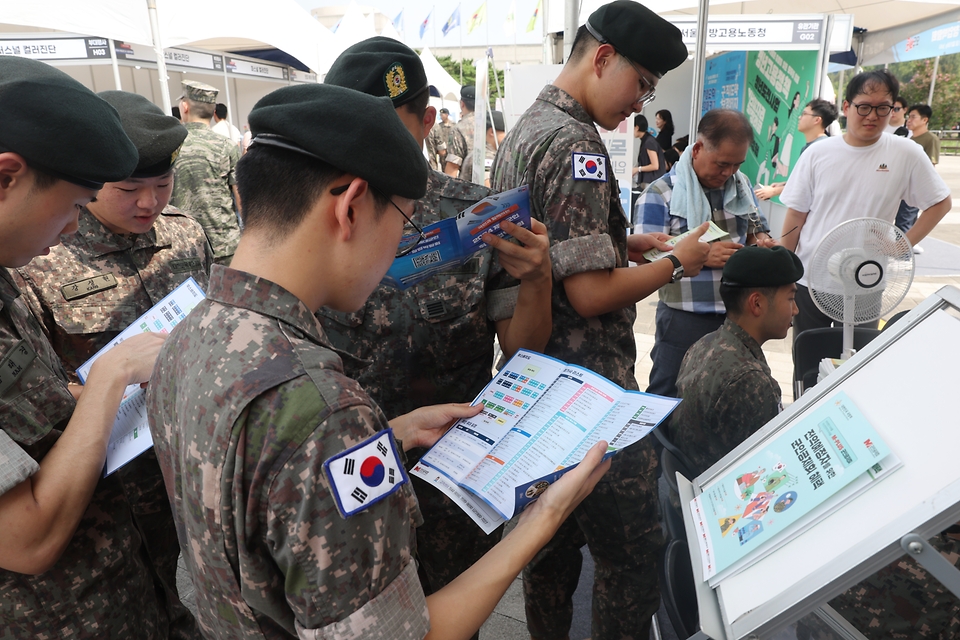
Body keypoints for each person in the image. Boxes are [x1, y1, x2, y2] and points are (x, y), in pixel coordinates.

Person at [146, 81, 610, 639]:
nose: (400, 248)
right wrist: (544, 519)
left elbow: (258, 495)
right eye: (407, 222)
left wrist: (388, 434)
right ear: (351, 207)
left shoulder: (189, 333)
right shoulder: (324, 411)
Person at [490, 3, 711, 638]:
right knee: (636, 553)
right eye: (640, 83)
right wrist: (679, 262)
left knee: (546, 548)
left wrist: (624, 247)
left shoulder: (532, 125)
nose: (640, 103)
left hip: (534, 381)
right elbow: (588, 294)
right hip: (589, 392)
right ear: (603, 57)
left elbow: (559, 252)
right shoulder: (577, 144)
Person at [321, 37, 552, 631]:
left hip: (453, 482)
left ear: (427, 121)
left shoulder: (477, 219)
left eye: (388, 127)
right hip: (350, 477)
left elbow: (523, 351)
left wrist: (537, 281)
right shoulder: (317, 218)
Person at [12, 90, 210, 639]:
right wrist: (112, 377)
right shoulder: (35, 255)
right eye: (127, 190)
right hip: (100, 477)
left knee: (176, 581)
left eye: (161, 185)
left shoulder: (187, 234)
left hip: (182, 455)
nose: (149, 203)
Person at [780, 70, 952, 344]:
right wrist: (783, 268)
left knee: (859, 359)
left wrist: (901, 245)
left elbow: (940, 203)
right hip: (811, 277)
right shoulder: (818, 152)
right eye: (864, 107)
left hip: (867, 279)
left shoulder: (906, 152)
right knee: (810, 357)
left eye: (883, 107)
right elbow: (796, 213)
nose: (872, 115)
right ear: (847, 107)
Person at [637, 109, 775, 400]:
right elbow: (645, 258)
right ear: (698, 148)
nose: (728, 173)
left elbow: (756, 226)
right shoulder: (660, 193)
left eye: (736, 165)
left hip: (736, 318)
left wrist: (761, 240)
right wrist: (701, 255)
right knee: (669, 392)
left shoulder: (741, 186)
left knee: (727, 395)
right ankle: (658, 447)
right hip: (684, 317)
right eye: (722, 164)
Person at [671, 246, 802, 476]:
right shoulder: (750, 381)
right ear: (757, 304)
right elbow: (768, 470)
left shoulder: (705, 343)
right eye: (790, 298)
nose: (796, 310)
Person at [170, 80, 241, 265]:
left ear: (185, 106)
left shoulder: (171, 145)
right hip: (225, 246)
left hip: (183, 244)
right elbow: (242, 199)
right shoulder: (228, 147)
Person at [754, 98, 838, 201]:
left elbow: (808, 185)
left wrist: (774, 192)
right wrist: (784, 185)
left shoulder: (821, 148)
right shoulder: (812, 146)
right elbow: (803, 180)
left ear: (817, 120)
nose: (799, 117)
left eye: (804, 114)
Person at [460, 109, 507, 187]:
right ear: (492, 132)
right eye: (504, 132)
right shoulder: (486, 156)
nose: (507, 136)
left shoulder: (481, 152)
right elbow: (489, 188)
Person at [445, 85, 477, 178]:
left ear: (462, 104)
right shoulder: (493, 124)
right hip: (496, 188)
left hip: (471, 189)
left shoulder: (459, 129)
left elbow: (452, 168)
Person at [632, 113, 665, 190]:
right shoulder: (647, 140)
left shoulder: (649, 142)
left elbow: (655, 165)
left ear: (637, 127)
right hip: (651, 181)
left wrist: (637, 169)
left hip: (652, 182)